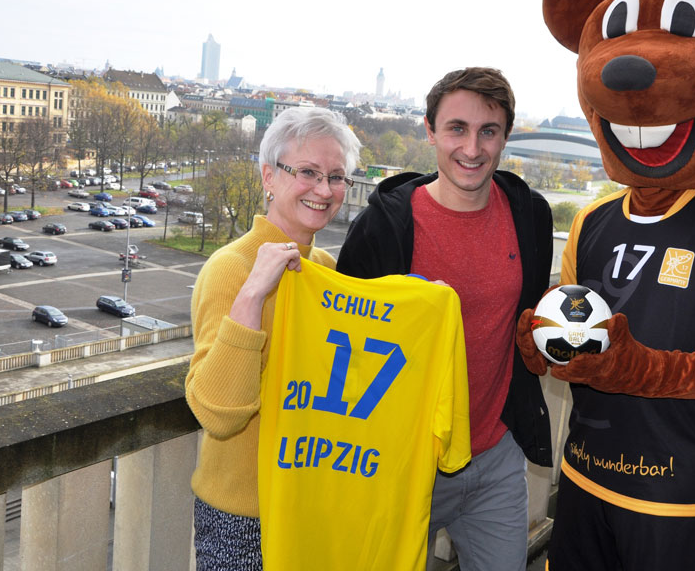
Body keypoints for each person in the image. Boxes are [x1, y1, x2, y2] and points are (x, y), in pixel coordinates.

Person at [337, 66, 553, 571]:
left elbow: (527, 318)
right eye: (457, 128)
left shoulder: (530, 215)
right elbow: (343, 348)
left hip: (495, 457)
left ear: (506, 136)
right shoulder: (383, 227)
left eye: (488, 131)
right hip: (404, 464)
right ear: (430, 131)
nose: (472, 148)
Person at [185, 106, 361, 570]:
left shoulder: (325, 270)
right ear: (269, 176)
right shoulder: (231, 268)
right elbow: (217, 414)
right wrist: (252, 295)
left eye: (336, 177)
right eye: (308, 172)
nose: (324, 190)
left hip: (310, 500)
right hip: (244, 516)